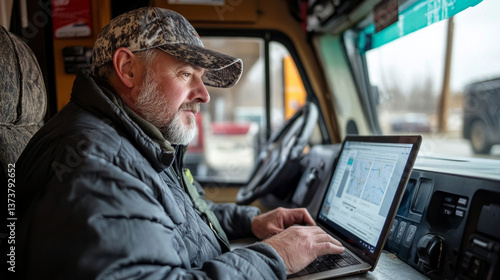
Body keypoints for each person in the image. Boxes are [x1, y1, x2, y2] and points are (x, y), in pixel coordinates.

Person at [14, 7, 344, 279]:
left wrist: (250, 222)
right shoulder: (95, 165)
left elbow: (178, 217)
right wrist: (275, 257)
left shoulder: (139, 142)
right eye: (187, 74)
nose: (204, 95)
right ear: (128, 69)